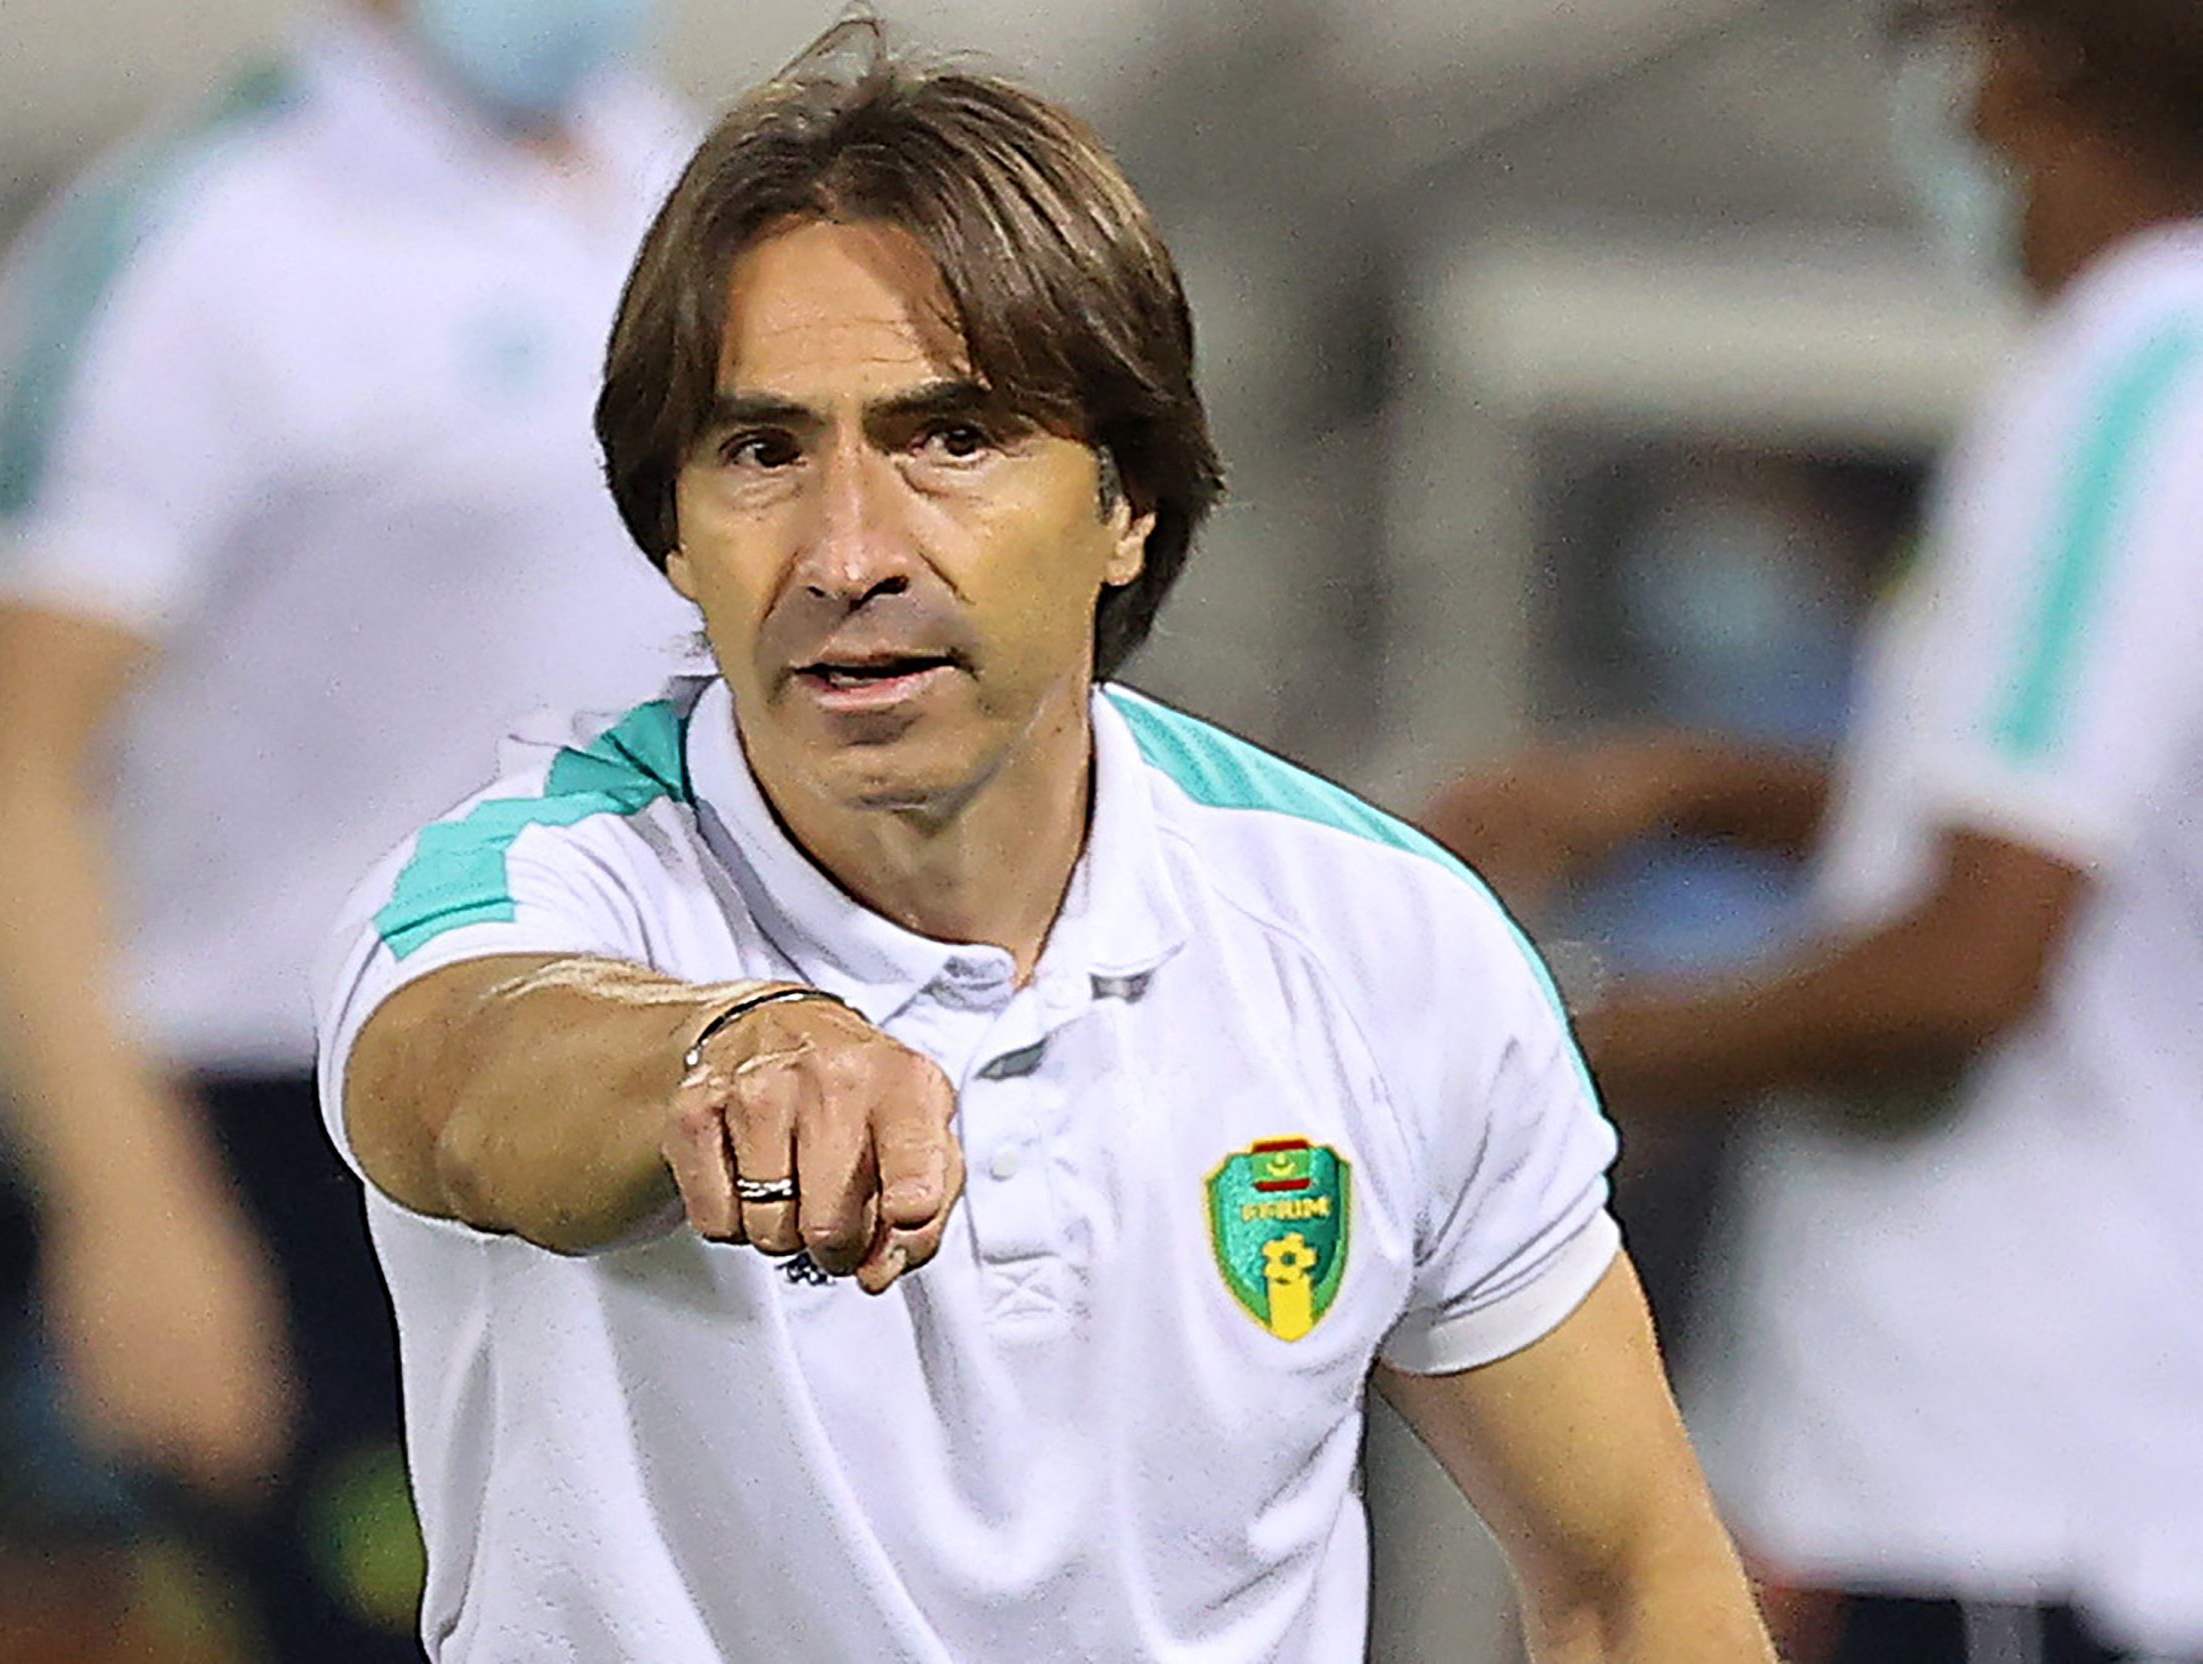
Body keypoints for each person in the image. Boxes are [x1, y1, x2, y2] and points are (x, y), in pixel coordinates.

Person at [315, 25, 1776, 1662]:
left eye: (952, 437)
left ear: (1128, 503)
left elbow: (1635, 1580)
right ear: (673, 533)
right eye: (763, 450)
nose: (849, 549)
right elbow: (460, 1085)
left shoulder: (1388, 942)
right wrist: (731, 1053)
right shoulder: (522, 888)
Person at [0, 1, 699, 1655]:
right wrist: (133, 1216)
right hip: (312, 1136)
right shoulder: (207, 242)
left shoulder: (682, 185)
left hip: (666, 1088)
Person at [1423, 3, 2203, 1659]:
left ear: (2023, 63)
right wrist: (1684, 789)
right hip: (2048, 1492)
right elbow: (2070, 847)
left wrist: (1537, 1055)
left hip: (1999, 1487)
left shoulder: (2137, 386)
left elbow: (1968, 970)